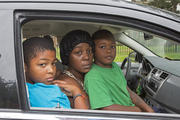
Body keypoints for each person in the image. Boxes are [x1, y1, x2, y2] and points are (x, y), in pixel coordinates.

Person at [84, 29, 154, 112]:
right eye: (102, 47)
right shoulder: (93, 76)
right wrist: (138, 111)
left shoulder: (114, 66)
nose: (109, 51)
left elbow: (129, 92)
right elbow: (106, 108)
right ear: (92, 50)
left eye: (112, 46)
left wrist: (148, 109)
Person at [23, 36, 84, 109]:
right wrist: (76, 91)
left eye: (53, 63)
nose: (51, 70)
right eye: (42, 64)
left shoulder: (24, 89)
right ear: (24, 66)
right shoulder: (45, 92)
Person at [54, 30, 94, 109]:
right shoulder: (65, 82)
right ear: (67, 56)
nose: (86, 57)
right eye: (78, 52)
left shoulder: (84, 76)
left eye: (89, 51)